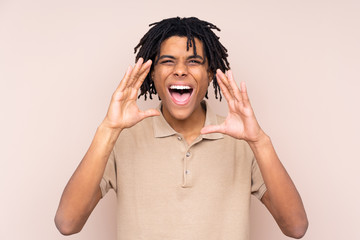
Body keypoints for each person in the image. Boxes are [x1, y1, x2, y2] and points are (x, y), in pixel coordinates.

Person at [55, 17, 308, 239]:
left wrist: (259, 141)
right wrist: (108, 129)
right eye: (168, 61)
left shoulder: (241, 139)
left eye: (194, 61)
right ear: (152, 74)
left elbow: (296, 227)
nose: (180, 71)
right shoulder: (122, 137)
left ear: (210, 74)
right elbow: (67, 223)